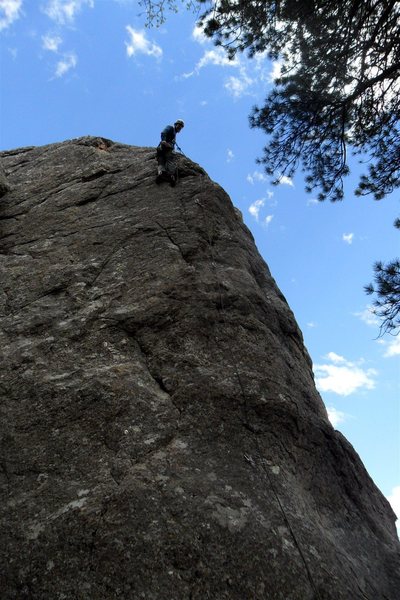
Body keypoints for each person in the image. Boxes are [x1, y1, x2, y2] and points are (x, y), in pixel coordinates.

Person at [156, 119, 184, 186]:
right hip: (166, 147)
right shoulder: (170, 127)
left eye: (180, 127)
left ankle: (161, 173)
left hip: (161, 148)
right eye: (179, 125)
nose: (179, 127)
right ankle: (171, 176)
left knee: (161, 161)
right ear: (175, 124)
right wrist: (164, 141)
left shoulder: (174, 133)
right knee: (169, 160)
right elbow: (163, 132)